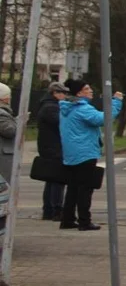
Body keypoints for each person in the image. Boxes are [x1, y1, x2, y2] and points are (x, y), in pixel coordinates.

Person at [59, 79, 123, 232]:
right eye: (87, 88)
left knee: (73, 187)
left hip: (71, 153)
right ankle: (84, 221)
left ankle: (67, 219)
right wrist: (117, 102)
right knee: (85, 189)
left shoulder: (66, 107)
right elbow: (104, 119)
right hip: (85, 153)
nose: (91, 91)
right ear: (79, 93)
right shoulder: (82, 108)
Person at [35, 82, 69, 221]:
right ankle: (55, 209)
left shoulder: (48, 105)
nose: (65, 96)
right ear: (54, 93)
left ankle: (49, 210)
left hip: (49, 146)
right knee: (57, 179)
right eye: (63, 93)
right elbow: (61, 123)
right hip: (53, 147)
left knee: (51, 179)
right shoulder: (51, 107)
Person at [0, 82, 16, 188]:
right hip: (3, 155)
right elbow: (9, 131)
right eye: (8, 97)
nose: (9, 99)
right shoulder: (2, 113)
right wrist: (18, 123)